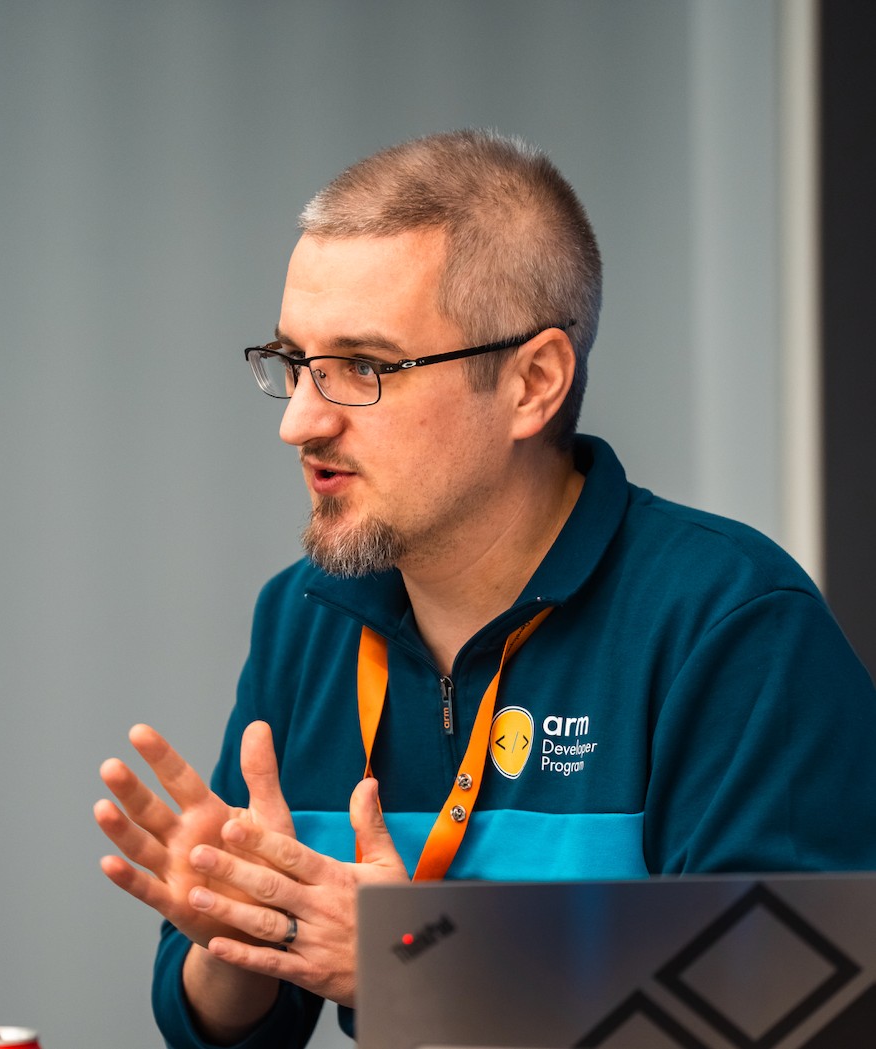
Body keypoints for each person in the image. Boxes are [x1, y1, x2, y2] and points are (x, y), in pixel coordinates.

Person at [95, 129, 876, 1049]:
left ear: (532, 383)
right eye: (296, 362)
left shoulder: (732, 622)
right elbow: (240, 1029)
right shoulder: (303, 616)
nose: (299, 421)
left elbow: (799, 1005)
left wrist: (422, 964)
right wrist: (238, 933)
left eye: (364, 367)